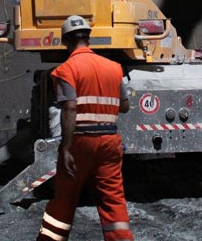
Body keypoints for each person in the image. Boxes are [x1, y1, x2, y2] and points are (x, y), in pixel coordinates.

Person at [37, 15, 133, 241]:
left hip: (81, 142)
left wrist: (66, 148)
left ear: (66, 41)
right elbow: (125, 106)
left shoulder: (66, 70)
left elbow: (70, 108)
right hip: (110, 142)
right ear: (89, 39)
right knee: (113, 201)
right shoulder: (114, 68)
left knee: (64, 200)